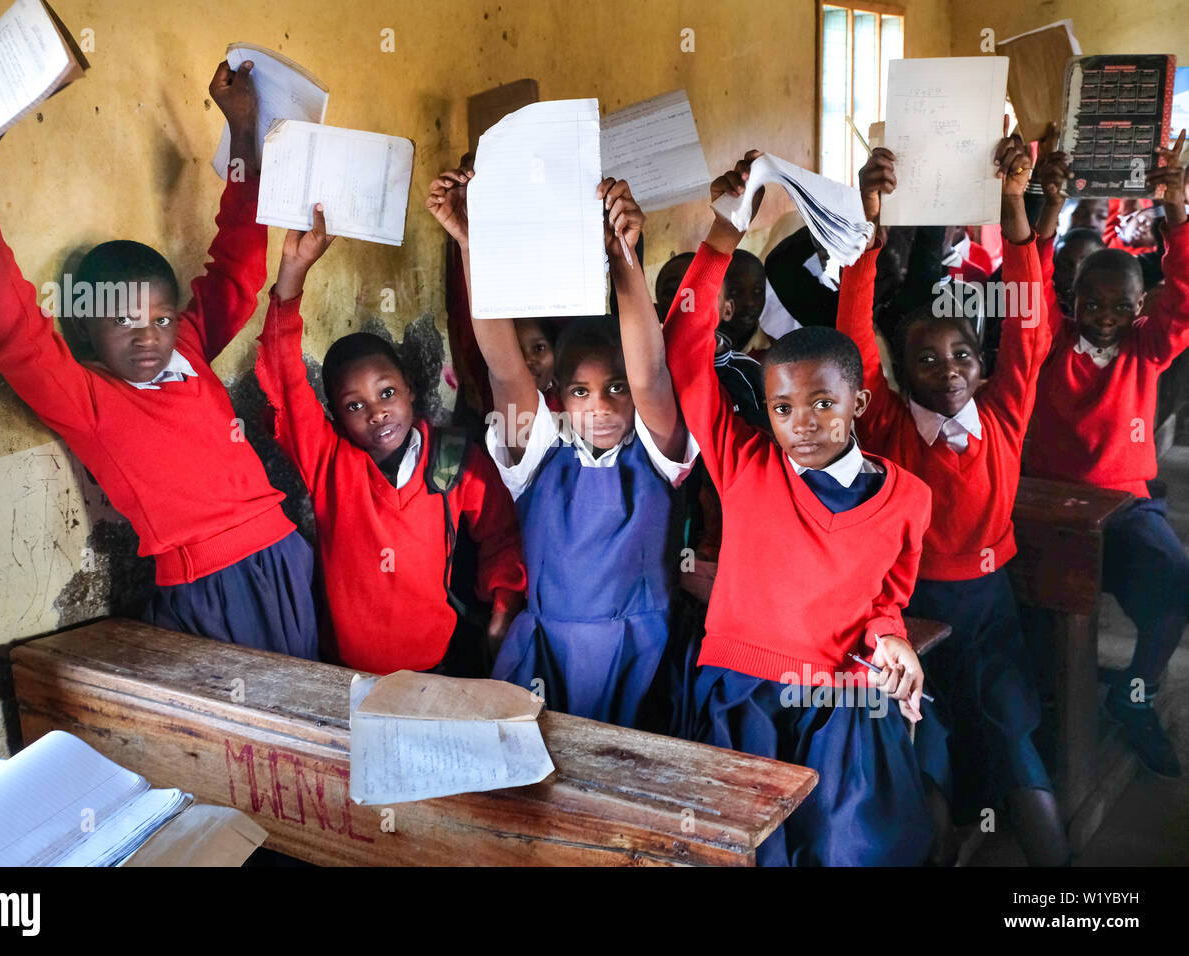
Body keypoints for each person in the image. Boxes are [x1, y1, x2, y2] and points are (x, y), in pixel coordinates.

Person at [0, 63, 320, 658]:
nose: (148, 337)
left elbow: (236, 261)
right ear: (85, 330)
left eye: (160, 318)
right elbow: (18, 325)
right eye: (122, 321)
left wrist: (245, 129)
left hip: (283, 556)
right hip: (211, 589)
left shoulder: (191, 350)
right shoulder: (88, 400)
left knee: (314, 711)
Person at [665, 150, 934, 866]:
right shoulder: (743, 460)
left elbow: (886, 596)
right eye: (782, 407)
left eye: (822, 403)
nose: (803, 421)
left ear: (860, 405)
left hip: (837, 701)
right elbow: (685, 356)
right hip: (739, 692)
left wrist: (891, 638)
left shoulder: (908, 497)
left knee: (848, 847)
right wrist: (723, 235)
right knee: (746, 848)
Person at [842, 135, 1069, 865]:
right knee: (925, 740)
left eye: (963, 356)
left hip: (990, 607)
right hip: (912, 615)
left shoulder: (1003, 411)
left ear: (983, 365)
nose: (948, 371)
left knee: (1011, 731)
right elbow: (853, 337)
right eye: (926, 361)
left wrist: (1013, 207)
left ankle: (1062, 881)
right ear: (900, 377)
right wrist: (867, 227)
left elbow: (1028, 326)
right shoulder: (884, 424)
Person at [428, 165, 698, 728]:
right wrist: (471, 244)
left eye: (614, 389)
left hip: (639, 652)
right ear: (559, 393)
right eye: (580, 390)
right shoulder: (539, 455)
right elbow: (503, 365)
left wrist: (625, 257)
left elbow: (648, 370)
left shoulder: (659, 452)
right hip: (546, 652)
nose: (598, 406)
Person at [254, 203, 527, 675]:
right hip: (344, 674)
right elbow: (283, 375)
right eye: (354, 406)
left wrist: (503, 606)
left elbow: (501, 535)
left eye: (386, 393)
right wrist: (293, 272)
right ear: (335, 419)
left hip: (438, 667)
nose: (377, 412)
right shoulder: (328, 464)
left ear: (410, 391)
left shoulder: (452, 458)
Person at [1025, 132, 1189, 778]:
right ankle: (1047, 714)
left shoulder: (1147, 348)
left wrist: (1176, 213)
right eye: (1091, 303)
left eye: (1121, 306)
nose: (1104, 316)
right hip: (1047, 507)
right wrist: (1045, 205)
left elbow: (1185, 294)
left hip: (1125, 507)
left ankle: (1135, 695)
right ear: (1072, 301)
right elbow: (1028, 285)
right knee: (1045, 616)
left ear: (1140, 308)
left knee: (1175, 587)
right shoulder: (1049, 345)